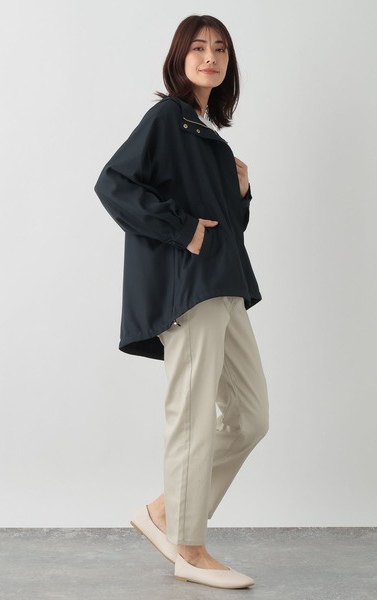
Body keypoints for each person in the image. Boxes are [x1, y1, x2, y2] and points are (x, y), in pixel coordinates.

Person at [94, 14, 268, 590]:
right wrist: (182, 228)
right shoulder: (168, 117)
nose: (210, 57)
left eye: (220, 49)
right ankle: (189, 549)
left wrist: (240, 192)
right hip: (190, 288)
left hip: (225, 286)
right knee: (192, 418)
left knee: (249, 418)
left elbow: (228, 228)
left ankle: (164, 512)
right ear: (179, 57)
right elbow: (114, 183)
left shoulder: (206, 131)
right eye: (198, 47)